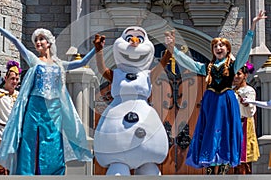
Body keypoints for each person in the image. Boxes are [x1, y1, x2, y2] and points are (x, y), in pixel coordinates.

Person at [0, 17, 94, 175]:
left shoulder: (59, 64)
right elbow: (14, 40)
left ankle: (53, 174)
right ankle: (26, 174)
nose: (38, 42)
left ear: (49, 42)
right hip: (35, 109)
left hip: (54, 110)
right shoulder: (34, 60)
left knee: (54, 143)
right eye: (36, 40)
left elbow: (82, 63)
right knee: (30, 141)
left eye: (41, 39)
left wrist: (96, 49)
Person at [165, 10, 266, 174]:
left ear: (227, 49)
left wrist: (253, 26)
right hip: (211, 101)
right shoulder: (208, 68)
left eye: (222, 46)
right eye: (215, 46)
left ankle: (224, 165)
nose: (218, 48)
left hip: (226, 101)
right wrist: (172, 49)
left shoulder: (233, 66)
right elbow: (189, 62)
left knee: (226, 130)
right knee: (210, 130)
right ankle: (211, 164)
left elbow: (244, 52)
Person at [93, 26, 173, 175]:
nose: (134, 43)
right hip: (118, 115)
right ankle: (118, 166)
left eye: (139, 39)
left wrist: (170, 49)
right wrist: (99, 50)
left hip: (143, 116)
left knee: (149, 171)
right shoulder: (116, 74)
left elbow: (162, 64)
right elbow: (102, 68)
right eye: (129, 39)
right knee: (118, 170)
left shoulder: (147, 75)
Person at [232, 61, 260, 174]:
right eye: (234, 74)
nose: (235, 77)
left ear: (245, 75)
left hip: (244, 124)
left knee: (244, 159)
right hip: (233, 125)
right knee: (235, 159)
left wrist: (247, 105)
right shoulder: (232, 90)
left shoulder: (249, 90)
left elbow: (250, 111)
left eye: (238, 74)